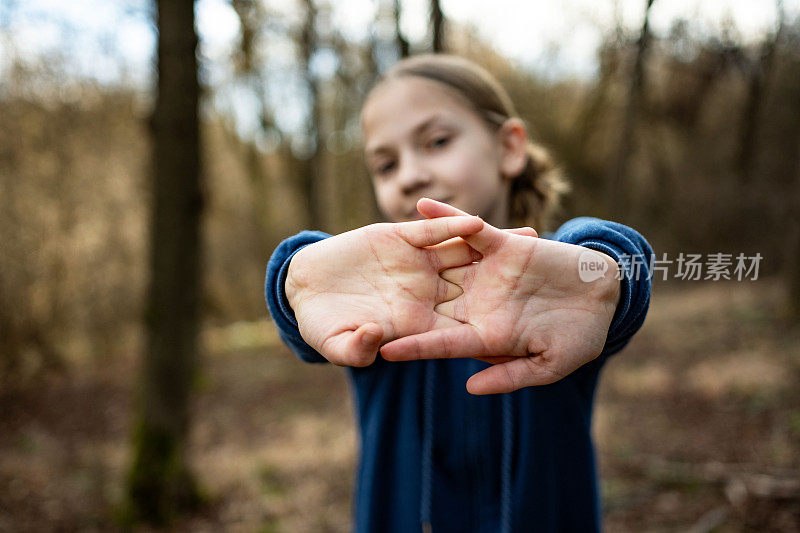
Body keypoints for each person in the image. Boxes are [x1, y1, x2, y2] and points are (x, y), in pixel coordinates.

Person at [265, 54, 653, 533]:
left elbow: (617, 272)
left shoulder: (556, 290)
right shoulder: (378, 306)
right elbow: (310, 301)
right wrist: (293, 277)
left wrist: (604, 269)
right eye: (385, 165)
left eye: (437, 141)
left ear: (510, 148)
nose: (408, 175)